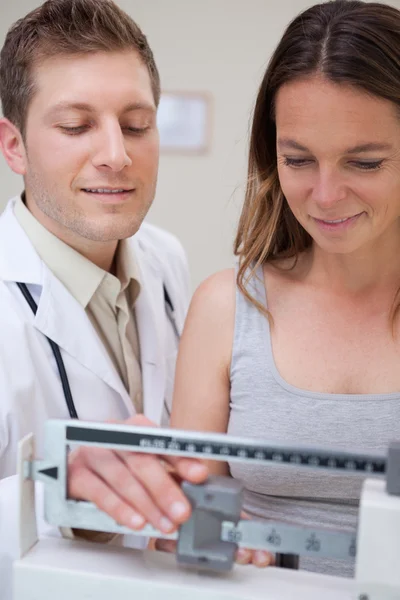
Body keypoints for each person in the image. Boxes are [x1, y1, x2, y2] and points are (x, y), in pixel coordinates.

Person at [166, 0, 400, 578]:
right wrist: (201, 542)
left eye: (364, 163)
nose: (325, 195)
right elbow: (190, 524)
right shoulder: (227, 307)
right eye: (298, 160)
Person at [0, 0, 208, 597]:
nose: (117, 154)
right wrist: (54, 490)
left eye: (137, 124)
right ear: (14, 147)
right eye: (75, 125)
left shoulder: (167, 259)